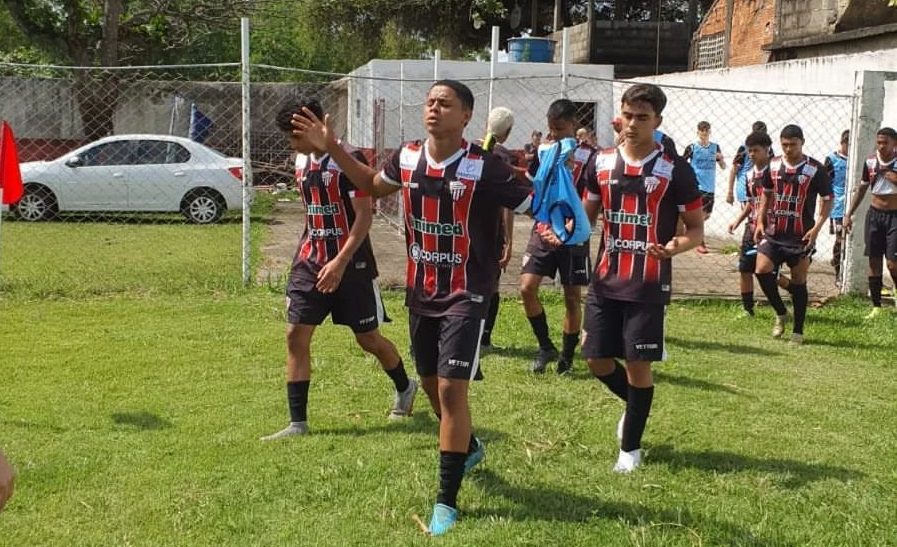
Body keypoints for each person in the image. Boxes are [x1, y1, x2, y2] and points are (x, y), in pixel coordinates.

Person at [291, 80, 533, 536]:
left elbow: (534, 200)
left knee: (449, 392)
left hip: (466, 294)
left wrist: (562, 222)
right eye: (430, 102)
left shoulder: (486, 166)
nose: (434, 108)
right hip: (422, 293)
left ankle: (446, 501)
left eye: (446, 103)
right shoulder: (405, 158)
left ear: (466, 117)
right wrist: (334, 146)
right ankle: (469, 446)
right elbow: (365, 184)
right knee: (428, 382)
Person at [261, 99, 417, 442]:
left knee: (369, 340)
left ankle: (406, 387)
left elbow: (364, 216)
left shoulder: (349, 160)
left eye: (294, 134)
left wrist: (341, 260)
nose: (290, 142)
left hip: (351, 265)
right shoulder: (301, 160)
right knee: (295, 335)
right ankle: (298, 423)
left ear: (312, 126)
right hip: (309, 262)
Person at [579, 83, 704, 473]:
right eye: (628, 115)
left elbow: (696, 230)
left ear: (658, 122)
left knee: (637, 365)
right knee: (596, 360)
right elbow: (586, 218)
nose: (632, 124)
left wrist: (673, 247)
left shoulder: (674, 170)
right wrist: (563, 230)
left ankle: (630, 449)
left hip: (647, 285)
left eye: (642, 118)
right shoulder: (599, 163)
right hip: (605, 280)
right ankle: (634, 406)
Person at [522, 99, 596, 375]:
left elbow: (592, 196)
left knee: (571, 298)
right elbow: (536, 188)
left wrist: (568, 226)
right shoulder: (547, 151)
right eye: (551, 128)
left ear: (574, 124)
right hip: (543, 230)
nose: (554, 134)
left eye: (560, 128)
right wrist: (543, 224)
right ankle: (545, 346)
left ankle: (566, 358)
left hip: (572, 234)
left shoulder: (589, 156)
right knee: (527, 288)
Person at [753, 124, 832, 344]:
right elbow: (766, 194)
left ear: (802, 143)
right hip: (774, 232)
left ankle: (798, 331)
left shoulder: (815, 169)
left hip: (800, 236)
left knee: (799, 281)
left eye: (793, 145)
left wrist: (817, 228)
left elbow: (828, 199)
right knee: (761, 270)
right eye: (784, 145)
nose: (788, 149)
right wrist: (760, 221)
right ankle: (780, 312)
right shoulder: (773, 164)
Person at [843, 127, 897, 319]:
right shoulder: (871, 161)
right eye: (879, 142)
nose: (881, 146)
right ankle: (876, 306)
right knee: (874, 260)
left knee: (892, 263)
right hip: (874, 215)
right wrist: (849, 214)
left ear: (895, 144)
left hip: (894, 216)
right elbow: (862, 188)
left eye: (886, 143)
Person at [479, 106, 518, 349]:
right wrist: (509, 241)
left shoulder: (469, 149)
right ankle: (484, 337)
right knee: (491, 285)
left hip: (466, 227)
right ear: (507, 132)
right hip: (490, 231)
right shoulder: (503, 159)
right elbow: (508, 203)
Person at [727, 131, 772, 317]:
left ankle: (793, 290)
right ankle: (748, 309)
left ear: (767, 150)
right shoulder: (748, 175)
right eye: (750, 151)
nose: (752, 154)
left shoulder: (775, 172)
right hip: (751, 226)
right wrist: (738, 220)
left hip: (770, 228)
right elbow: (752, 202)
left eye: (756, 150)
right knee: (745, 268)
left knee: (768, 272)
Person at [683, 121, 726, 254]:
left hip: (710, 187)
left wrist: (720, 159)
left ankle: (690, 229)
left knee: (707, 215)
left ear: (709, 132)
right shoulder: (692, 147)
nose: (704, 134)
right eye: (702, 131)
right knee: (700, 215)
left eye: (706, 131)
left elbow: (723, 167)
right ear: (698, 132)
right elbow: (682, 164)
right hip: (696, 186)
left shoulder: (715, 147)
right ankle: (700, 242)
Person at [824, 130, 850, 285]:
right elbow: (825, 185)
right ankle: (838, 273)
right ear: (843, 143)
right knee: (840, 239)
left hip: (854, 205)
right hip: (839, 206)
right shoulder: (832, 160)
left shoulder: (858, 159)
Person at [727, 121, 771, 205]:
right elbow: (734, 170)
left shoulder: (767, 148)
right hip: (745, 189)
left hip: (763, 188)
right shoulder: (744, 148)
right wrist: (730, 192)